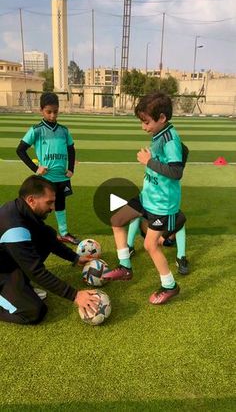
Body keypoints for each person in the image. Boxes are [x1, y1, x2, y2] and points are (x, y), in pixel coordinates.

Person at [103, 92, 186, 304]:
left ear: (162, 118)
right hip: (146, 197)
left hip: (162, 204)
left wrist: (149, 161)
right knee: (117, 220)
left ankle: (170, 286)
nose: (143, 127)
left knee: (151, 245)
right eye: (142, 121)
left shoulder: (170, 139)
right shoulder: (160, 135)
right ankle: (125, 267)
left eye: (146, 122)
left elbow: (177, 172)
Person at [0, 175, 99, 325]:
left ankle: (21, 284)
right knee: (33, 311)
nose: (53, 207)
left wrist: (75, 258)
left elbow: (49, 239)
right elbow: (36, 271)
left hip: (7, 262)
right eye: (49, 202)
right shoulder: (14, 227)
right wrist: (75, 295)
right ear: (31, 200)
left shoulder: (23, 210)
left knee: (46, 234)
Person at [16, 92, 79, 245]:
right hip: (45, 178)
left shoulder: (64, 130)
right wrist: (35, 168)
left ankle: (64, 233)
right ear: (41, 110)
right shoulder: (36, 130)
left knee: (60, 204)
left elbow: (71, 149)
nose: (52, 115)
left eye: (55, 112)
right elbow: (20, 150)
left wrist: (71, 169)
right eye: (48, 112)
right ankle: (34, 232)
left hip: (62, 176)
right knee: (41, 206)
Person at [127, 210, 189, 275]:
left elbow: (182, 218)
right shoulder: (146, 204)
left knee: (180, 221)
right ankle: (129, 247)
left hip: (166, 237)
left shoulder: (167, 204)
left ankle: (181, 257)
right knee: (136, 213)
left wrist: (163, 237)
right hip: (152, 235)